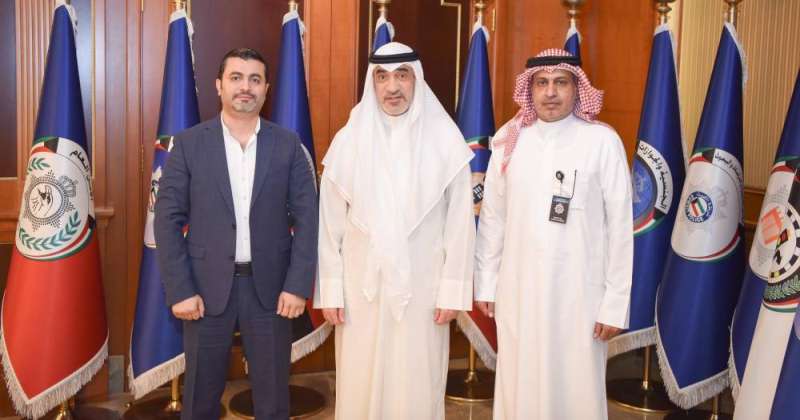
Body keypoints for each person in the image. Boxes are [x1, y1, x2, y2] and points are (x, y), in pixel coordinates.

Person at [314, 42, 475, 420]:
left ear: (416, 79)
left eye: (402, 75)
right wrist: (331, 290)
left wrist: (452, 290)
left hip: (424, 290)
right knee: (360, 380)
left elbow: (459, 226)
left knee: (417, 382)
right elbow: (329, 227)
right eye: (382, 77)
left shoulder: (446, 141)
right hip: (360, 291)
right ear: (371, 84)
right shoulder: (348, 141)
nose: (392, 87)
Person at [155, 47, 318, 420]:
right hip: (204, 291)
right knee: (199, 401)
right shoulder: (189, 144)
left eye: (255, 79)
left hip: (272, 293)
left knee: (273, 403)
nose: (246, 87)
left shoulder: (288, 144)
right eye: (236, 78)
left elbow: (309, 218)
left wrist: (297, 286)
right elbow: (166, 219)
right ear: (219, 85)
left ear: (266, 89)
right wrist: (181, 290)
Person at [474, 48, 633, 420]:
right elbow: (493, 219)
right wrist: (486, 283)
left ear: (577, 89)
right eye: (541, 83)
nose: (550, 92)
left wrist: (614, 303)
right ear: (528, 90)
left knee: (576, 385)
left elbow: (620, 229)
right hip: (518, 291)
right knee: (520, 382)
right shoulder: (509, 139)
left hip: (580, 294)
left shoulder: (602, 142)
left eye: (560, 82)